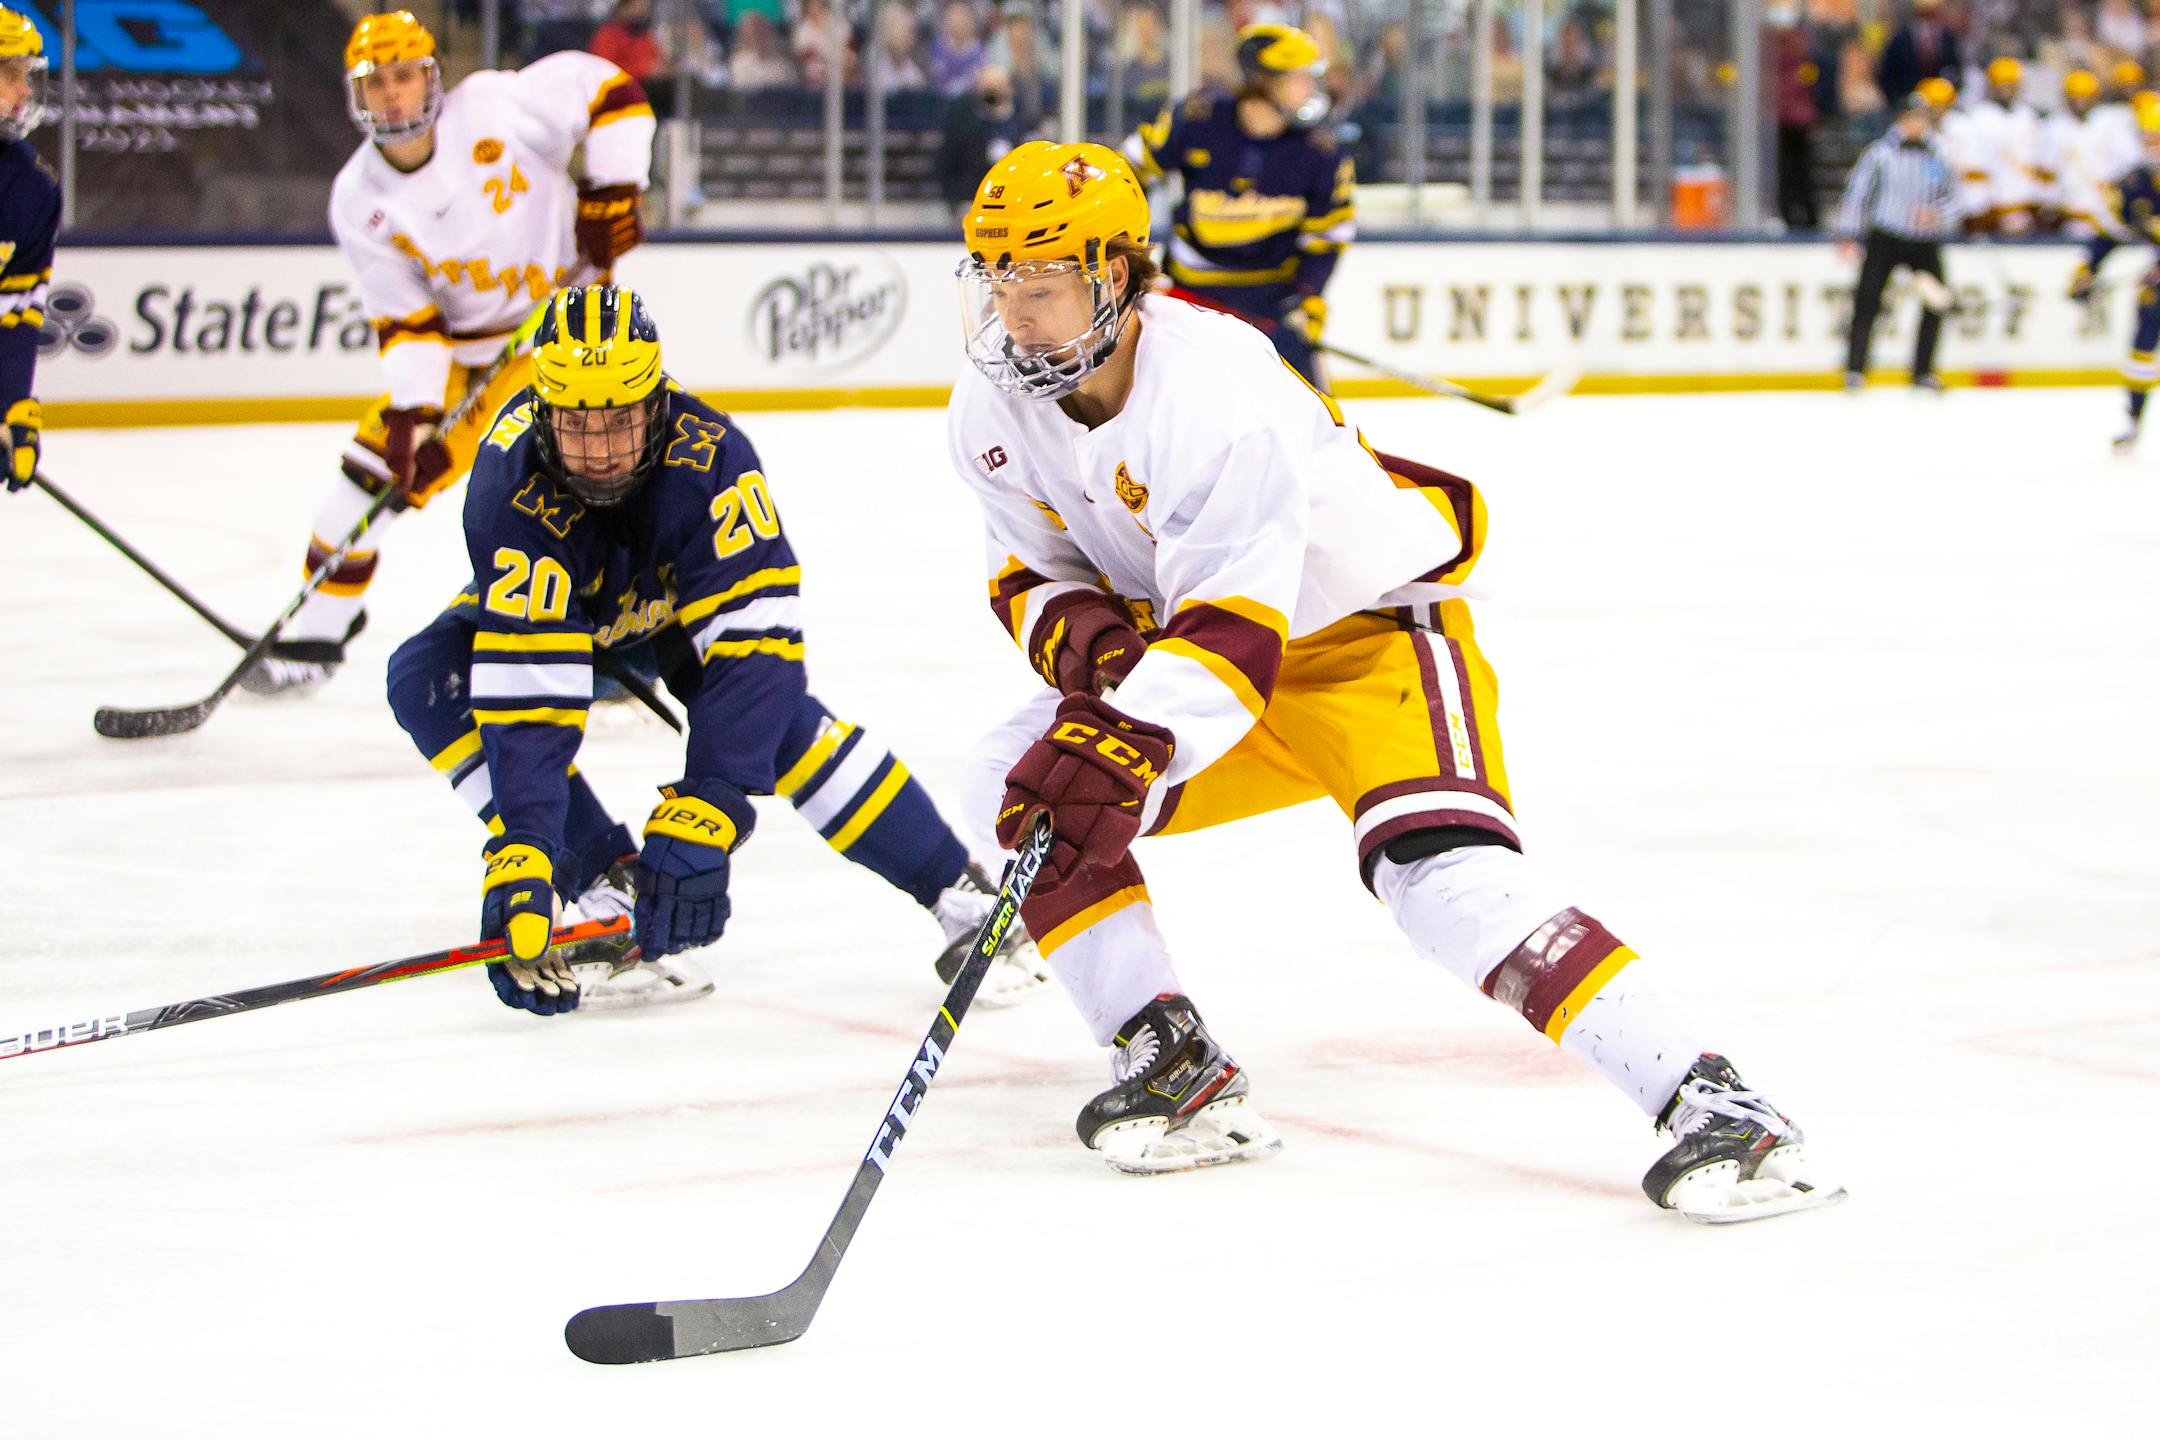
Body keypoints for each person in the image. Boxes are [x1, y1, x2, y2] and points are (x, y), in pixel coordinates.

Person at [944, 140, 1845, 1222]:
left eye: (1041, 288)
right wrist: (1110, 677)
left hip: (1368, 644)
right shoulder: (989, 410)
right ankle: (1168, 1057)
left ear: (1123, 278)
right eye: (999, 284)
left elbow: (1238, 622)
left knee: (1442, 880)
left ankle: (1717, 1106)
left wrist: (1132, 731)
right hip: (1201, 656)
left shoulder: (1220, 394)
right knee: (1024, 781)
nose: (1017, 316)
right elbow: (1029, 575)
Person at [387, 284, 1049, 1014]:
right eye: (578, 422)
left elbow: (756, 653)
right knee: (425, 679)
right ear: (543, 408)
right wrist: (526, 850)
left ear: (658, 401)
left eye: (621, 419)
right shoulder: (506, 479)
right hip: (566, 604)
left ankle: (958, 889)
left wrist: (710, 803)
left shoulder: (711, 457)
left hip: (674, 606)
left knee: (776, 723)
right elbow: (528, 684)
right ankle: (607, 878)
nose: (602, 450)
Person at [244, 10, 654, 695]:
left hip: (564, 334)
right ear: (358, 96)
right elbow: (409, 322)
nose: (395, 95)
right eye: (378, 84)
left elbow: (615, 93)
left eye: (405, 76)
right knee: (356, 493)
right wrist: (414, 422)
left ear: (432, 77)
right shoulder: (359, 200)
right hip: (470, 358)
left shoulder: (496, 105)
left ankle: (624, 649)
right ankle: (315, 636)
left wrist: (615, 188)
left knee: (586, 495)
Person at [1123, 23, 1354, 391]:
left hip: (1272, 304)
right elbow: (1128, 173)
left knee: (1312, 419)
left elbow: (1327, 238)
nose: (1311, 89)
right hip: (1191, 301)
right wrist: (1127, 254)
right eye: (1300, 78)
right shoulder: (1198, 120)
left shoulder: (1321, 152)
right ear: (1264, 81)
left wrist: (1307, 297)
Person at [1836, 94, 1961, 390]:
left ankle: (1923, 370)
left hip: (1923, 242)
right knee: (1867, 302)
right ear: (1901, 120)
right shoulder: (1880, 154)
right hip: (1886, 236)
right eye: (1913, 117)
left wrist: (1937, 215)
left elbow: (1955, 199)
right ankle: (1856, 369)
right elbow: (1858, 194)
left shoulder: (1940, 153)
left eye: (1923, 117)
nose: (1918, 124)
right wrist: (1849, 233)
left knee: (1936, 302)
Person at [2071, 102, 2160, 449]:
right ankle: (2134, 421)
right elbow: (2109, 234)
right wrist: (2086, 270)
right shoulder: (2132, 185)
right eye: (2148, 138)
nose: (2154, 145)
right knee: (2142, 343)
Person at [0, 7, 55, 500]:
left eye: (25, 76)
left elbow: (14, 313)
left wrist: (13, 403)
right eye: (10, 74)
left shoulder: (32, 189)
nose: (24, 92)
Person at [934, 65, 1041, 216]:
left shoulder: (1024, 125)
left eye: (997, 87)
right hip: (972, 205)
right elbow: (947, 165)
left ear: (1009, 89)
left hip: (1018, 208)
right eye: (987, 88)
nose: (992, 93)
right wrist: (957, 201)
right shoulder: (964, 126)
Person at [1967, 55, 2041, 234]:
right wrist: (1981, 210)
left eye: (2011, 84)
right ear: (1991, 85)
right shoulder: (1976, 117)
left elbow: (2034, 163)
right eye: (2001, 83)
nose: (2006, 89)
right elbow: (1973, 167)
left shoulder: (2028, 116)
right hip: (1988, 210)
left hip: (2025, 208)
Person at [2036, 70, 2113, 235]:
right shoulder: (2053, 128)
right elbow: (2045, 175)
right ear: (2066, 97)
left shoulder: (2107, 125)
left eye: (2086, 95)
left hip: (2108, 216)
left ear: (2096, 97)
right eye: (2075, 95)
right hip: (2069, 217)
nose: (2081, 101)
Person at [1876, 0, 1961, 108]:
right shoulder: (1901, 40)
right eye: (1925, 14)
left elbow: (1954, 69)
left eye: (1932, 14)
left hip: (1941, 103)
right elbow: (1887, 76)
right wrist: (1899, 101)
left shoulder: (1947, 38)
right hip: (1909, 103)